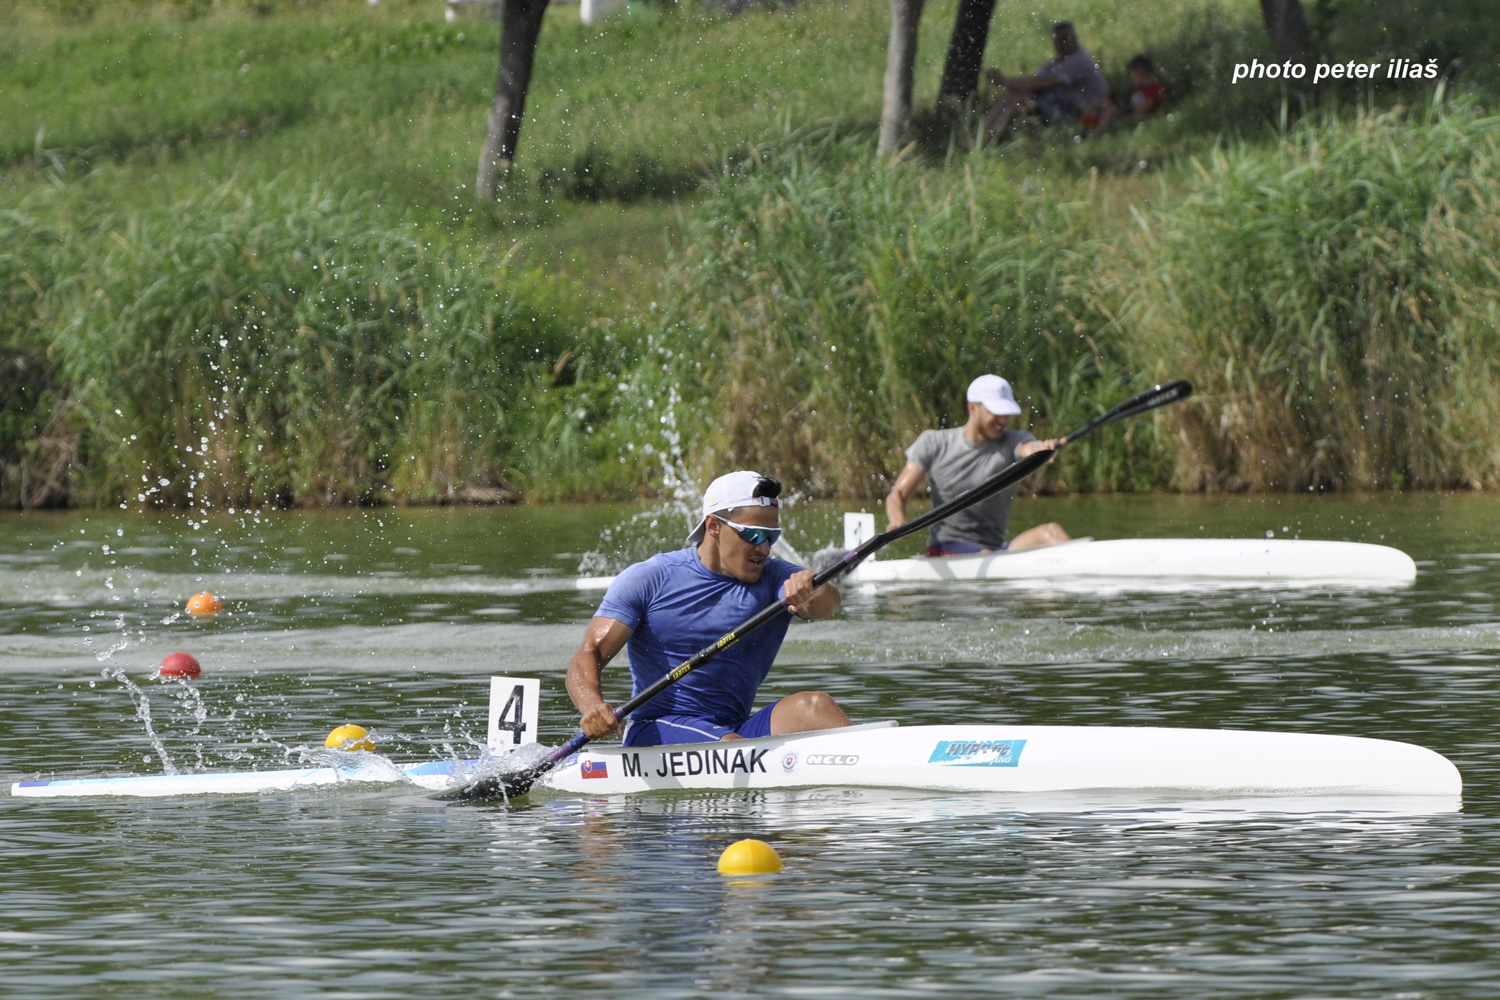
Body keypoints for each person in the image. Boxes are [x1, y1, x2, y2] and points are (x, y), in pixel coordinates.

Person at [566, 470, 846, 748]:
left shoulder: (774, 576)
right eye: (753, 535)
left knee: (815, 707)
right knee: (731, 745)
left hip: (732, 729)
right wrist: (592, 706)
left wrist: (815, 588)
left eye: (771, 536)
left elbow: (825, 606)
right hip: (656, 729)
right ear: (713, 526)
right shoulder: (650, 579)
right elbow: (589, 653)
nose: (764, 549)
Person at [885, 374, 1070, 555]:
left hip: (993, 551)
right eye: (995, 412)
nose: (1003, 419)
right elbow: (898, 494)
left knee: (1052, 531)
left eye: (1006, 413)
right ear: (972, 408)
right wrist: (897, 520)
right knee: (985, 554)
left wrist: (1042, 449)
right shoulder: (935, 443)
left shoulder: (1013, 441)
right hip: (946, 548)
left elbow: (1029, 448)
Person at [981, 22, 1109, 144]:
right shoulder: (1061, 59)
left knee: (1024, 94)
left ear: (1075, 39)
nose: (1061, 43)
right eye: (1057, 40)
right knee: (1019, 91)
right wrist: (1007, 82)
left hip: (1081, 115)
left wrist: (1004, 81)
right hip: (1066, 108)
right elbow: (1036, 78)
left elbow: (1045, 82)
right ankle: (984, 134)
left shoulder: (1079, 60)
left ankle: (990, 137)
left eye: (1065, 38)